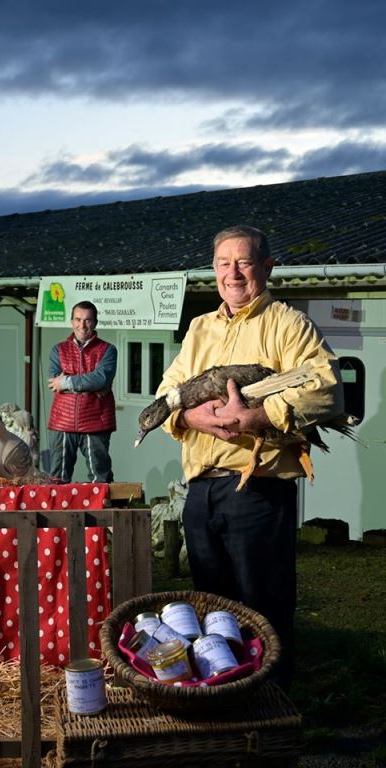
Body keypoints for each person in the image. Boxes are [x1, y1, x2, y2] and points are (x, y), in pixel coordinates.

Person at [157, 224, 344, 688]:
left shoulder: (288, 324)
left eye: (243, 262)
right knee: (212, 611)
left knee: (263, 606)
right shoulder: (200, 329)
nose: (233, 273)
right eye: (224, 263)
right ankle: (225, 702)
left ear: (266, 267)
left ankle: (271, 705)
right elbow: (167, 393)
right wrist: (191, 417)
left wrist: (256, 417)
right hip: (200, 492)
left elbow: (326, 389)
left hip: (258, 491)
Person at [47, 300, 117, 483]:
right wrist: (91, 386)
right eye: (78, 319)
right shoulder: (58, 350)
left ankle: (99, 504)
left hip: (96, 421)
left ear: (95, 322)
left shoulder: (108, 350)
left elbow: (101, 379)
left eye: (88, 320)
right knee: (57, 478)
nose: (82, 325)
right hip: (62, 420)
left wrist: (67, 382)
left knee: (100, 477)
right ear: (71, 321)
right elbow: (54, 382)